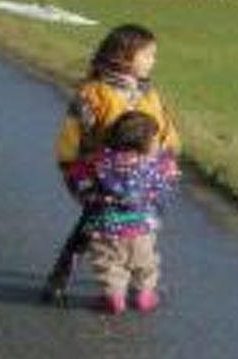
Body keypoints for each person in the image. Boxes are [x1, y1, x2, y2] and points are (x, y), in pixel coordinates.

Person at [40, 23, 180, 305]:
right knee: (91, 227)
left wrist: (169, 157)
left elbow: (165, 130)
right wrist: (72, 168)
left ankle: (136, 284)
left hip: (143, 177)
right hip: (99, 178)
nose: (154, 61)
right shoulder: (94, 94)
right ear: (124, 56)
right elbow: (72, 134)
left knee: (140, 229)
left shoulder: (149, 95)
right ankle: (61, 279)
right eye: (148, 55)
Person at [69, 110, 178, 314]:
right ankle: (144, 294)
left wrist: (87, 194)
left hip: (106, 225)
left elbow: (78, 176)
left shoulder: (100, 160)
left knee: (109, 264)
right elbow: (168, 182)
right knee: (145, 263)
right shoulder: (153, 163)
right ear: (147, 142)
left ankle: (114, 296)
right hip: (142, 225)